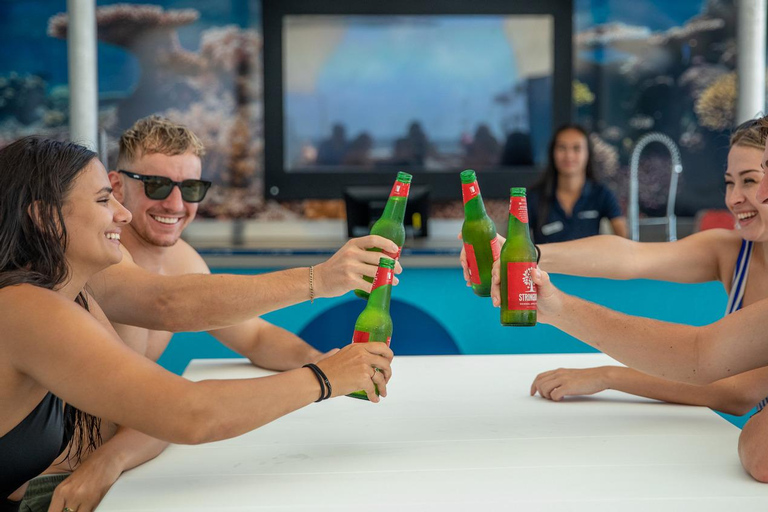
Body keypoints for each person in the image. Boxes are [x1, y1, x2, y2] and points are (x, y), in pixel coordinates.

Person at [17, 116, 404, 512]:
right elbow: (166, 311)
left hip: (112, 473)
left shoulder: (173, 263)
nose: (174, 203)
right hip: (56, 486)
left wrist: (330, 363)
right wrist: (318, 285)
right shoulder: (64, 282)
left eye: (192, 189)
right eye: (156, 186)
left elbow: (242, 345)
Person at [493, 118, 768, 482]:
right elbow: (629, 256)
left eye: (749, 180)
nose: (734, 198)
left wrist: (607, 374)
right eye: (730, 183)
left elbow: (725, 382)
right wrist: (527, 254)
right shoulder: (734, 251)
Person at [527, 124, 627, 242]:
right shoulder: (533, 197)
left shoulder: (601, 193)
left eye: (576, 148)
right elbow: (514, 244)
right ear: (552, 153)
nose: (569, 155)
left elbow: (624, 242)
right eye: (562, 148)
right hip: (547, 260)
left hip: (592, 260)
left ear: (588, 154)